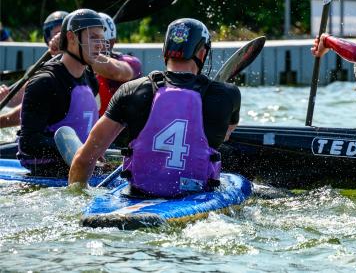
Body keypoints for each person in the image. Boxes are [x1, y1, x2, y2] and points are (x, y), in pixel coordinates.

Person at [69, 18, 241, 198]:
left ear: (164, 51)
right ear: (202, 53)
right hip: (195, 200)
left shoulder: (131, 90)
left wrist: (77, 196)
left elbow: (84, 160)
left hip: (137, 196)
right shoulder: (228, 95)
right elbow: (226, 134)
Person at [17, 9, 108, 176]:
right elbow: (28, 144)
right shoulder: (45, 82)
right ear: (72, 38)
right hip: (49, 177)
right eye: (93, 38)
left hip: (83, 171)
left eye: (102, 40)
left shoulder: (89, 78)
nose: (100, 46)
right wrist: (80, 151)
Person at [0, 11, 68, 128]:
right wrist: (5, 97)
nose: (59, 38)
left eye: (63, 34)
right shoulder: (40, 70)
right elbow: (18, 100)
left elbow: (27, 111)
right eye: (56, 34)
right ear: (48, 39)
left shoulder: (79, 68)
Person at [95, 12, 142, 116]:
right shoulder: (77, 62)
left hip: (118, 126)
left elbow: (112, 71)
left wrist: (80, 52)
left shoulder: (130, 62)